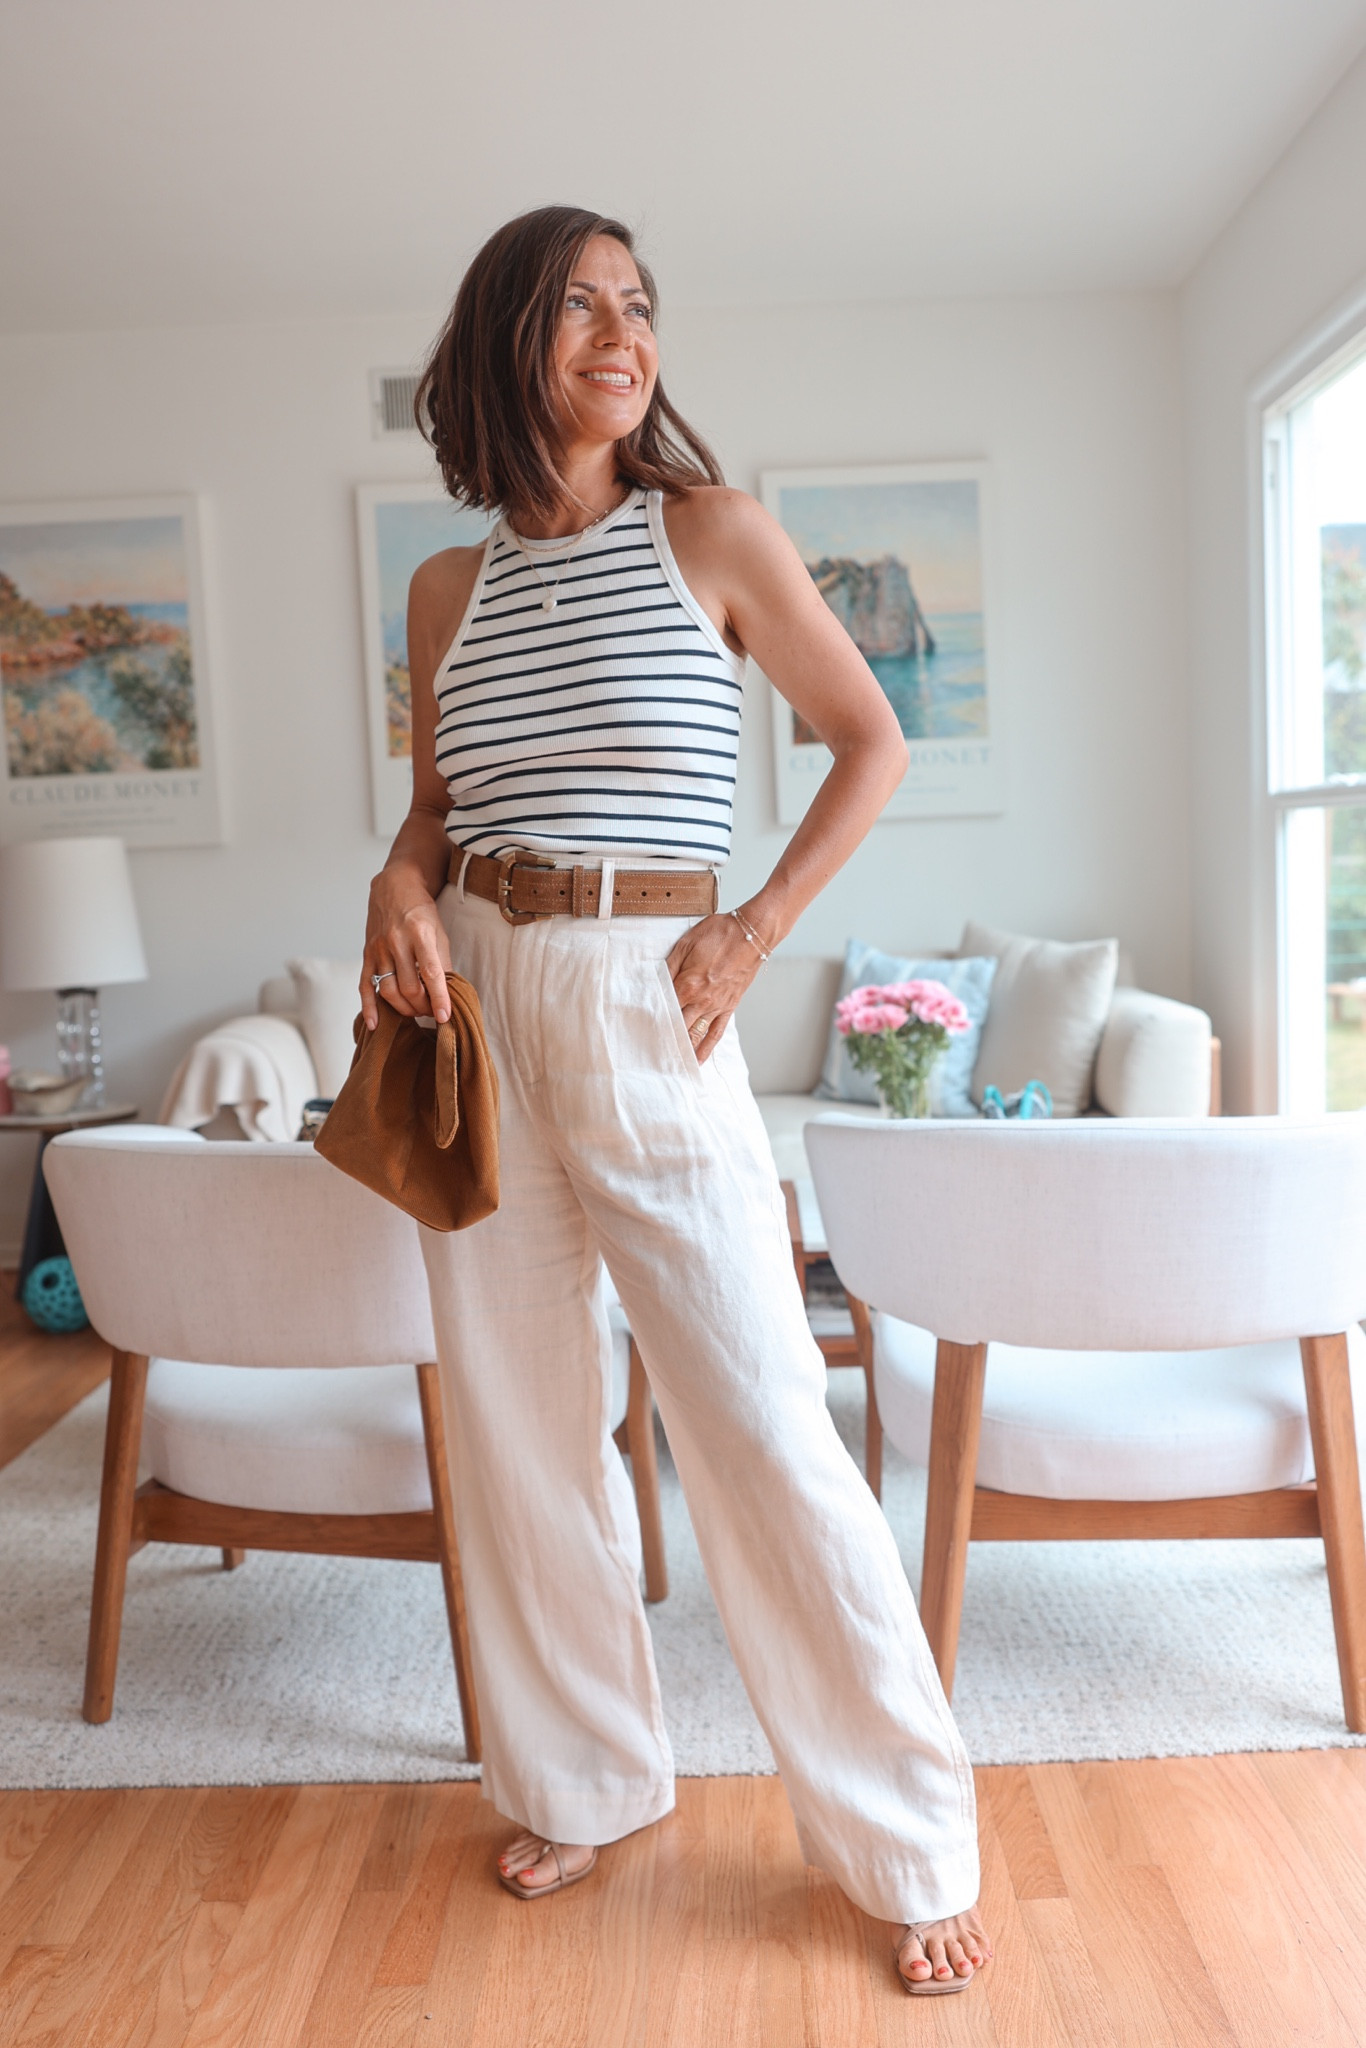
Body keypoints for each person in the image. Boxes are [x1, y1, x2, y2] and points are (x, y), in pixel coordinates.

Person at [360, 204, 992, 1996]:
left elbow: (868, 738)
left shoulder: (707, 534)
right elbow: (434, 812)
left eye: (638, 309)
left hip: (651, 997)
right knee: (514, 1414)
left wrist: (759, 926)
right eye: (577, 308)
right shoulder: (446, 590)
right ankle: (585, 1776)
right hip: (477, 997)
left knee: (763, 1426)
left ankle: (903, 1837)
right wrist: (399, 889)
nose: (619, 335)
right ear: (505, 343)